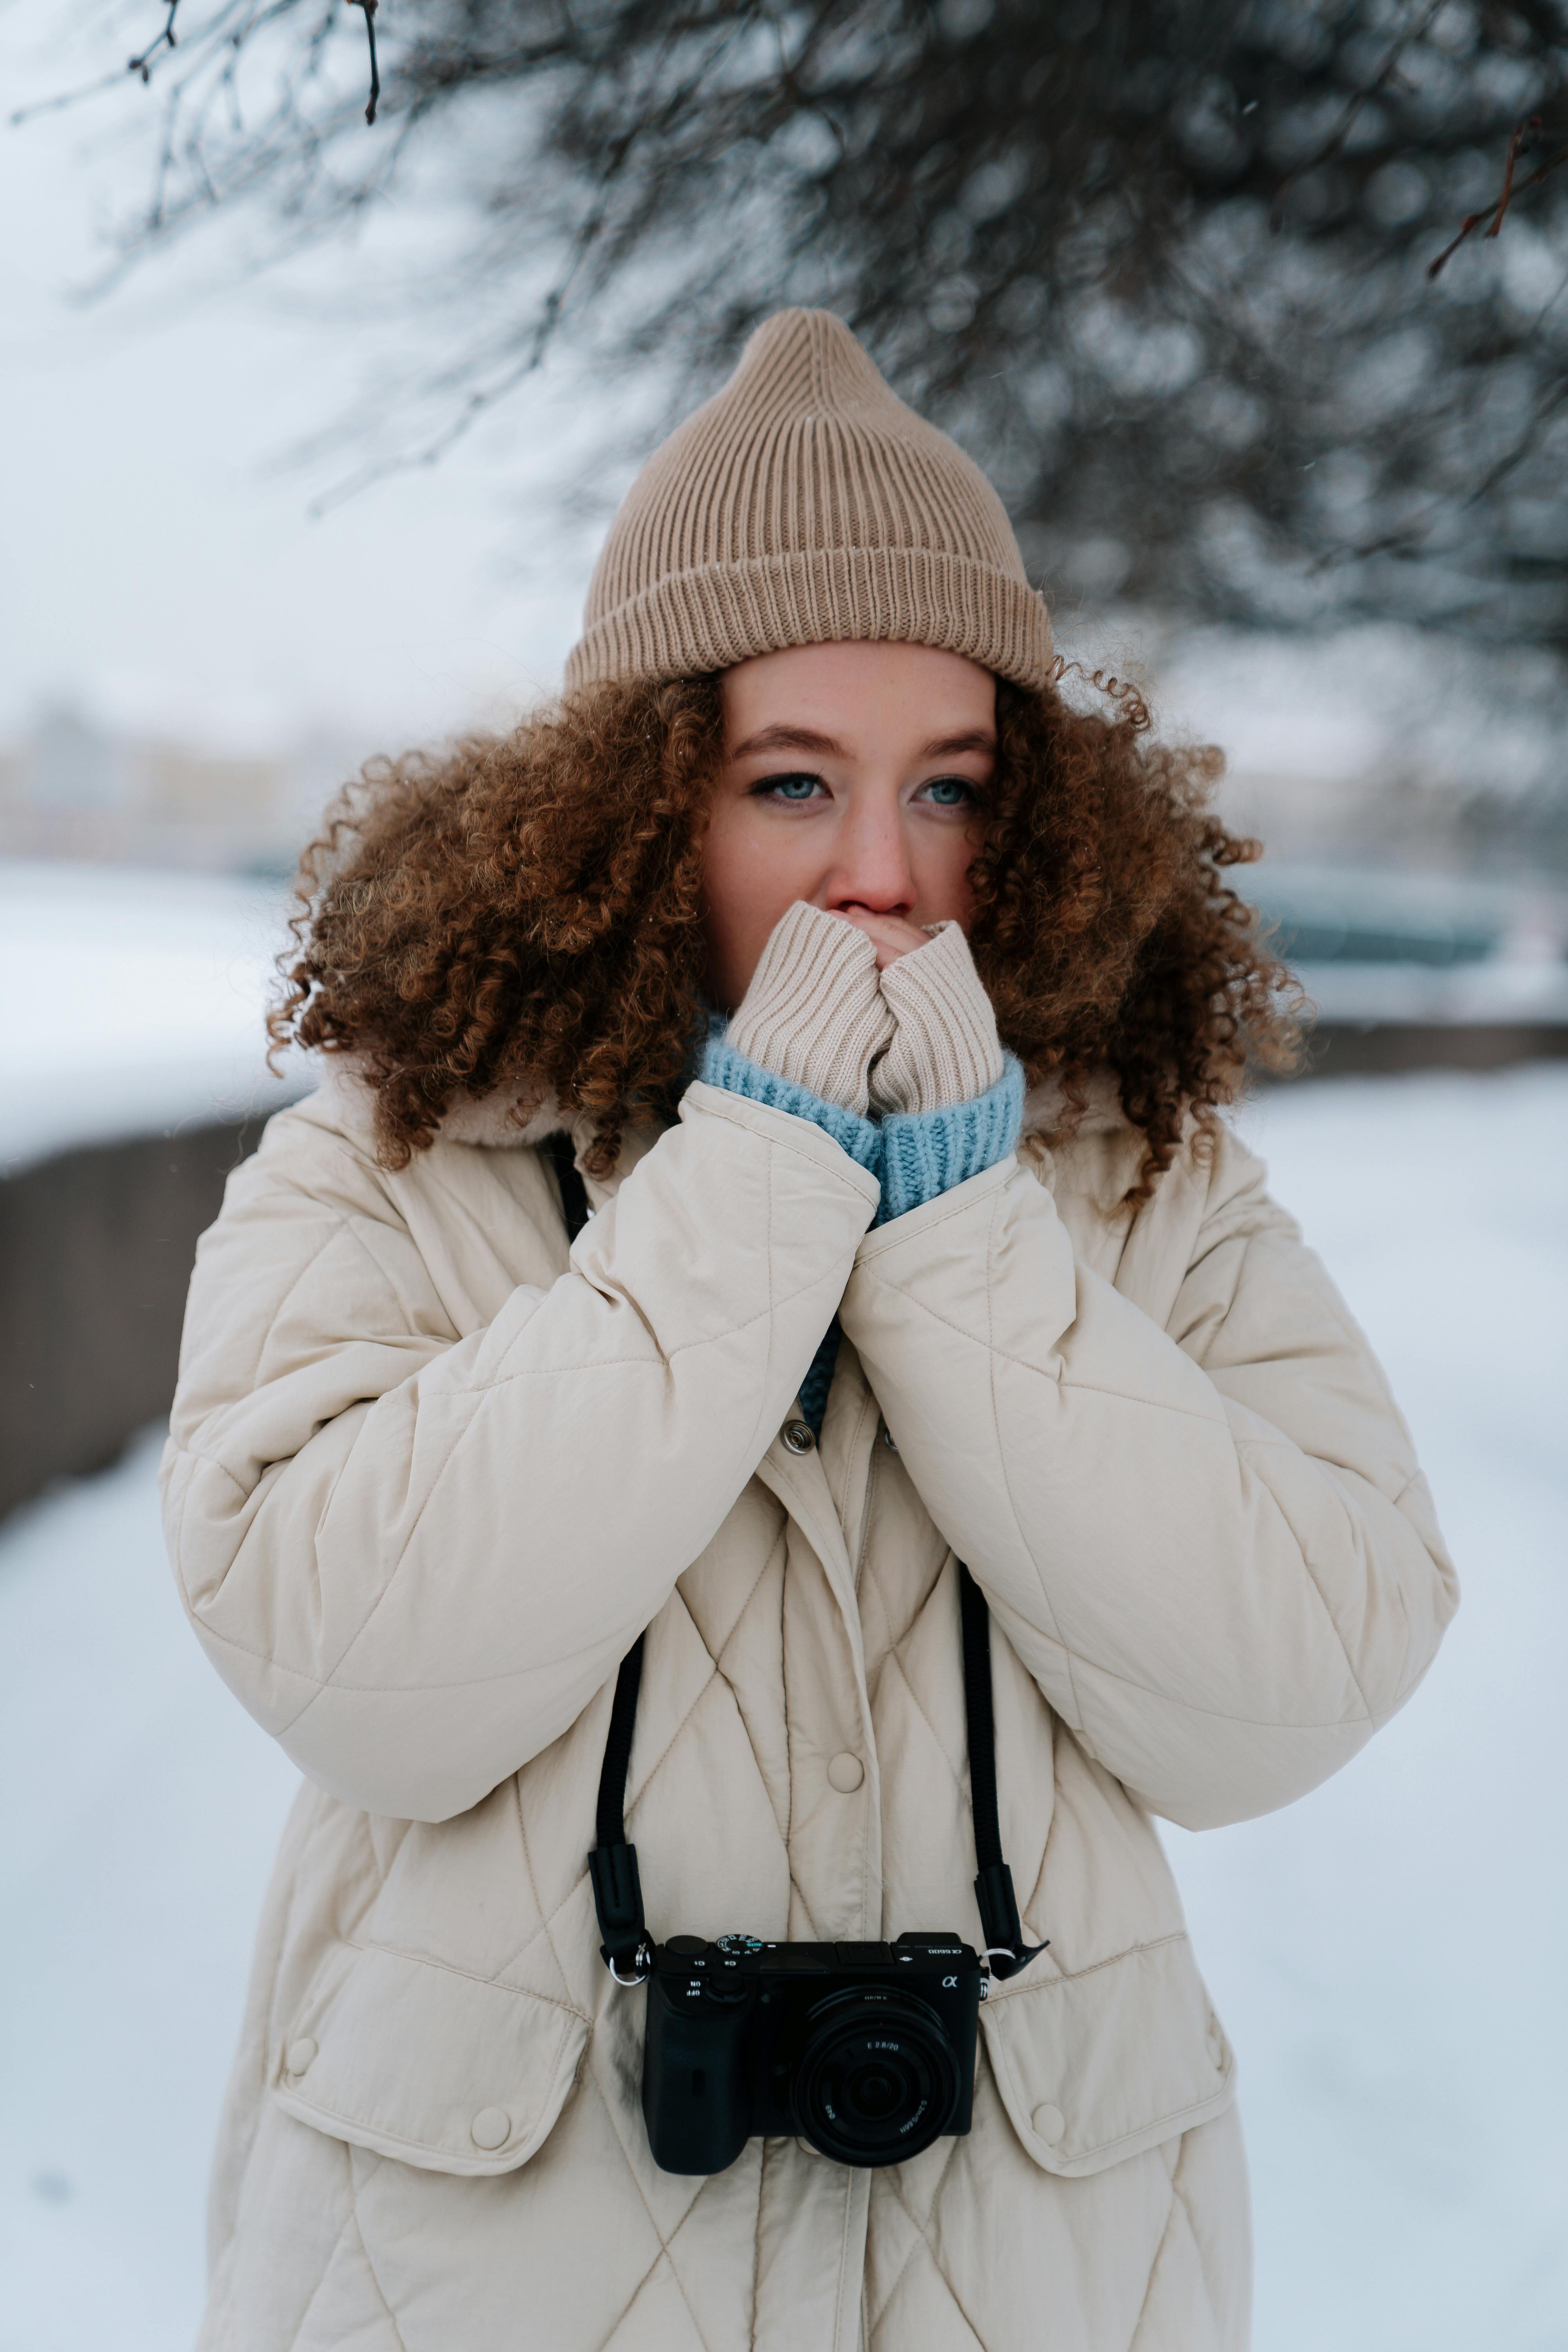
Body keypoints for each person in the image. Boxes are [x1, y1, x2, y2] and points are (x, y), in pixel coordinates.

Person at [162, 309, 1457, 2352]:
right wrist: (757, 1182)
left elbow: (1301, 1679)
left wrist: (961, 1240)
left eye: (948, 791)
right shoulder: (398, 1161)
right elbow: (347, 1662)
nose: (882, 877)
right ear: (634, 804)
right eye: (792, 783)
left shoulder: (1141, 1183)